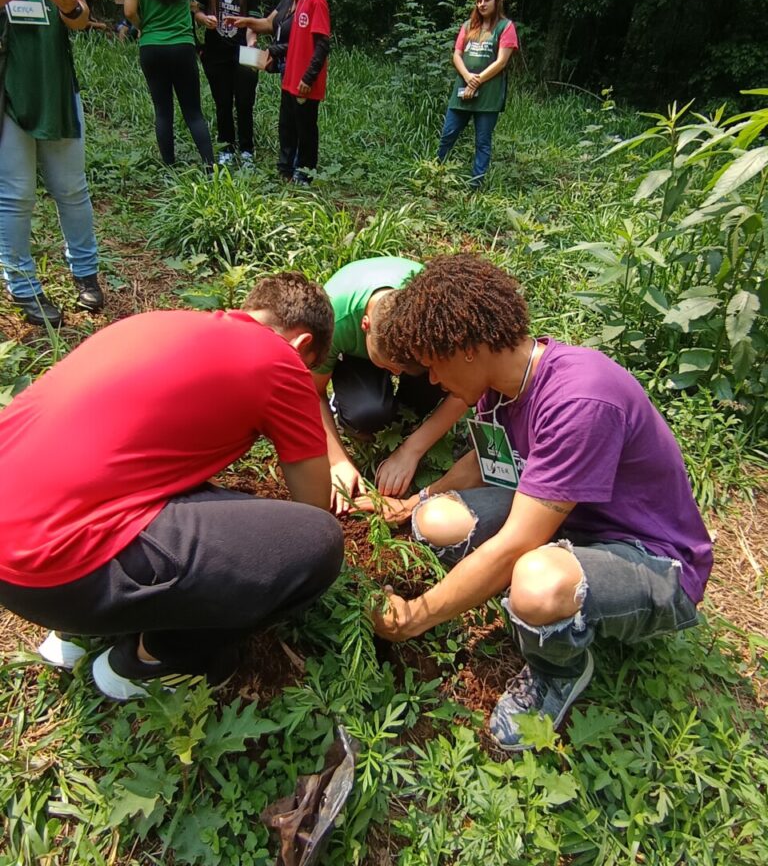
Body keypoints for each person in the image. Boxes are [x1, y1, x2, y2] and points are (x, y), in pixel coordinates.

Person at [370, 254, 713, 752]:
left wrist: (416, 617)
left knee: (535, 581)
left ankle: (558, 670)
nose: (434, 382)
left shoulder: (580, 400)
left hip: (652, 559)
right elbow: (486, 461)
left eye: (434, 366)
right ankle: (517, 591)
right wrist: (416, 501)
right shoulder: (501, 386)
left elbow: (515, 547)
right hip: (574, 523)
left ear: (467, 348)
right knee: (437, 520)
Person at [0, 271, 344, 701]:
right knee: (315, 541)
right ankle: (149, 663)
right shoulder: (281, 360)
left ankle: (81, 633)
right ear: (302, 344)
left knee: (197, 494)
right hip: (60, 571)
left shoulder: (155, 323)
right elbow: (312, 504)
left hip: (17, 546)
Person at [0, 0, 103, 327]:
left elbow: (80, 19)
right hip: (6, 84)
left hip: (52, 77)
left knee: (71, 187)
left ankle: (86, 274)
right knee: (15, 192)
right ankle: (22, 284)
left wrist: (69, 4)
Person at [313, 257, 467, 514]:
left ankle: (411, 414)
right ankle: (350, 405)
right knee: (367, 415)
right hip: (355, 355)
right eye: (389, 366)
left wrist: (411, 450)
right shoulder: (332, 320)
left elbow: (465, 391)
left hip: (421, 343)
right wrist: (338, 461)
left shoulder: (437, 314)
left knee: (429, 387)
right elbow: (310, 390)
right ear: (366, 325)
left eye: (402, 368)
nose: (396, 373)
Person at [121, 0, 213, 167]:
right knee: (193, 112)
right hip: (183, 44)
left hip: (152, 46)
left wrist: (142, 25)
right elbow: (191, 2)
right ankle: (210, 168)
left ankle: (170, 167)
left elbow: (129, 9)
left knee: (163, 112)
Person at [437, 0, 518, 188]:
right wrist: (467, 76)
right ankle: (436, 173)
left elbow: (501, 61)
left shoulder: (505, 27)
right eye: (479, 0)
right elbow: (456, 54)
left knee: (482, 142)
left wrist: (478, 80)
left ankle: (475, 185)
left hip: (488, 96)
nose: (482, 4)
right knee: (448, 134)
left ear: (497, 1)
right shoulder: (468, 26)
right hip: (462, 91)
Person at [196, 0, 261, 165]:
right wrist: (204, 19)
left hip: (243, 52)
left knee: (245, 102)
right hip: (215, 52)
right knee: (222, 101)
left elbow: (253, 25)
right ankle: (226, 147)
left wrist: (252, 43)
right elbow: (196, 11)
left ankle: (246, 149)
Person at [228, 0, 297, 174]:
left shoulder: (308, 3)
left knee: (299, 118)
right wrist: (244, 22)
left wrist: (272, 51)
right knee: (286, 118)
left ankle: (300, 169)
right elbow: (269, 23)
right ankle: (285, 167)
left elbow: (301, 42)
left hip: (298, 65)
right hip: (284, 64)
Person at [279, 0, 330, 184]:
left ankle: (306, 171)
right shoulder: (299, 0)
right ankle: (286, 167)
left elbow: (322, 45)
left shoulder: (317, 2)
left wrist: (308, 77)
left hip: (305, 84)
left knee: (306, 129)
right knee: (287, 126)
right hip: (290, 80)